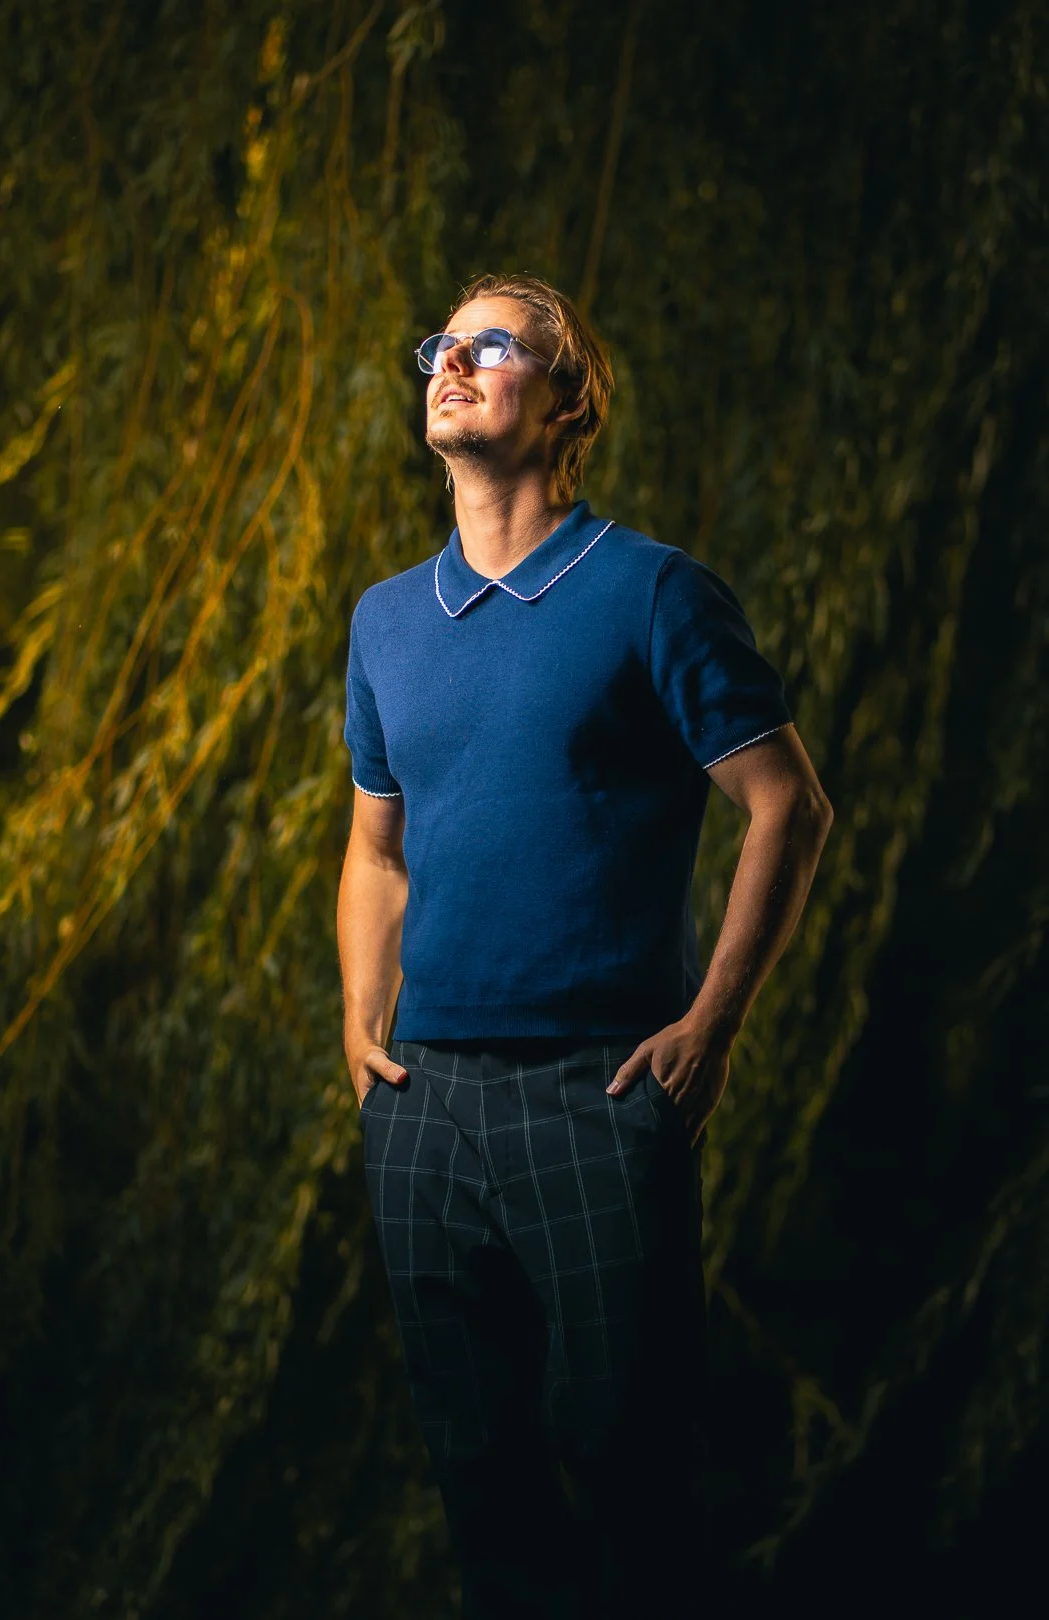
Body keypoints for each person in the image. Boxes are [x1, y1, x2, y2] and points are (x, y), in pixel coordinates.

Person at [337, 272, 833, 1619]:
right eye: (443, 342)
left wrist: (712, 1022)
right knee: (478, 1477)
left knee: (633, 1475)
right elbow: (376, 848)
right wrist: (358, 1015)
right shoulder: (386, 621)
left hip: (598, 1094)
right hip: (423, 1108)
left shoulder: (652, 593)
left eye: (494, 345)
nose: (453, 359)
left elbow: (789, 804)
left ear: (569, 399)